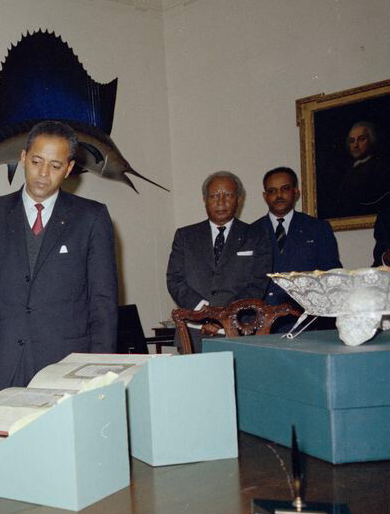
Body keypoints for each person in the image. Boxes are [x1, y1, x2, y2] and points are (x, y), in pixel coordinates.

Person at [0, 120, 118, 400]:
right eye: (36, 161)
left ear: (68, 169)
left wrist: (99, 367)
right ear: (23, 158)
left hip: (66, 367)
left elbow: (102, 300)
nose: (43, 173)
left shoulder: (92, 217)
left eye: (55, 166)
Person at [166, 171, 271, 351]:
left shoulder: (256, 236)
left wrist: (223, 317)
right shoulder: (185, 236)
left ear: (239, 199)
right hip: (192, 333)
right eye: (214, 196)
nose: (221, 202)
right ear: (204, 199)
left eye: (228, 195)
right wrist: (205, 312)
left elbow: (258, 283)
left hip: (239, 331)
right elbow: (175, 280)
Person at [252, 167, 341, 309]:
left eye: (285, 189)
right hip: (262, 319)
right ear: (265, 196)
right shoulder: (251, 232)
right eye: (272, 191)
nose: (278, 195)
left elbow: (332, 275)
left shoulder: (318, 228)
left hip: (307, 317)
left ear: (296, 192)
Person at [338, 120, 389, 216]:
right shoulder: (347, 170)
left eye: (361, 139)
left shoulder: (380, 168)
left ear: (371, 140)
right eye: (352, 141)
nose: (356, 145)